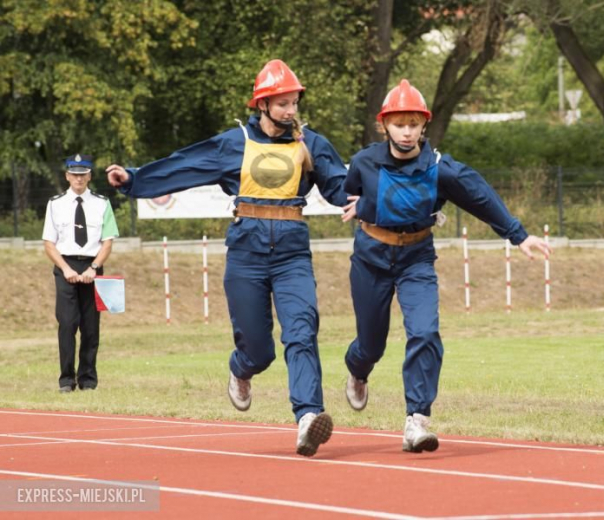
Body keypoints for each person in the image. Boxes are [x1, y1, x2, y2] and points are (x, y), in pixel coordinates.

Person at [106, 59, 355, 457]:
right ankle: (242, 368)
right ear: (262, 104)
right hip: (246, 252)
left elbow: (340, 186)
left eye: (294, 102)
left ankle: (308, 416)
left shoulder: (311, 143)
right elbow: (185, 165)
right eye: (282, 103)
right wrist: (135, 180)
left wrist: (364, 198)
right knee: (259, 350)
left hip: (292, 253)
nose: (290, 110)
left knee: (301, 331)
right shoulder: (234, 142)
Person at [342, 79, 552, 453]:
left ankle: (416, 419)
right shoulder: (364, 162)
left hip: (416, 259)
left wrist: (518, 235)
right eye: (399, 124)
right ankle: (358, 371)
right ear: (384, 124)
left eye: (413, 124)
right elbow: (352, 192)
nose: (406, 132)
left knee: (425, 332)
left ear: (425, 124)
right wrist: (365, 205)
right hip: (371, 258)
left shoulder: (441, 169)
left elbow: (481, 197)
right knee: (371, 344)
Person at [43, 154, 119, 393]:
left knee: (90, 327)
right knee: (67, 324)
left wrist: (93, 268)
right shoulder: (55, 204)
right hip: (65, 265)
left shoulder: (102, 203)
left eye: (83, 174)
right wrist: (66, 269)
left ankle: (88, 379)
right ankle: (66, 380)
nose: (79, 179)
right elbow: (49, 243)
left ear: (89, 176)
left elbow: (107, 242)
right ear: (67, 176)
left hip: (92, 266)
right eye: (74, 174)